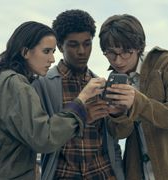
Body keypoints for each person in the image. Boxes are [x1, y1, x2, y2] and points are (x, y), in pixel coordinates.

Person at [0, 21, 106, 180]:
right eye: (46, 51)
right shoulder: (15, 84)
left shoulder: (2, 80)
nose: (51, 59)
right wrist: (81, 100)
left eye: (52, 52)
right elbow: (44, 138)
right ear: (25, 52)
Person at [98, 14, 168, 180]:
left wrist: (136, 102)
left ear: (139, 46)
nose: (118, 60)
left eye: (126, 52)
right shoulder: (114, 81)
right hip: (140, 171)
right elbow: (119, 133)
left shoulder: (167, 63)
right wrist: (118, 114)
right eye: (110, 53)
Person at [32, 9, 124, 180]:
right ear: (60, 46)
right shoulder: (42, 84)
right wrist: (81, 114)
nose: (82, 51)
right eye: (73, 45)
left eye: (87, 43)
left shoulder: (100, 84)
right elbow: (40, 136)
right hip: (63, 174)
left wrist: (119, 113)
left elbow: (113, 139)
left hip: (103, 173)